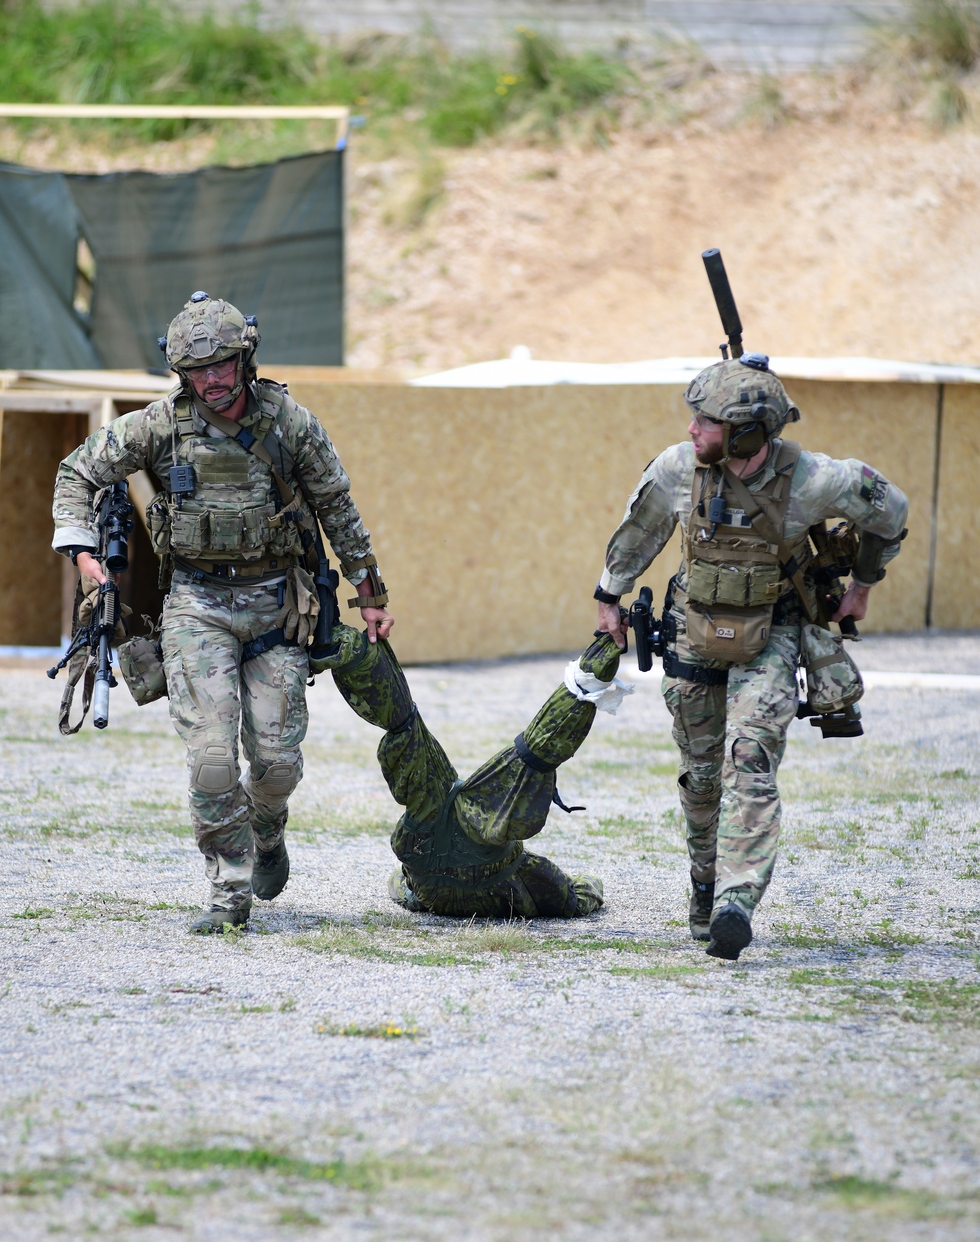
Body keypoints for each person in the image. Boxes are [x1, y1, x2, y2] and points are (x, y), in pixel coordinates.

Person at [51, 291, 393, 933]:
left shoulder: (290, 423)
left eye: (222, 365)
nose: (211, 379)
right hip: (196, 607)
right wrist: (79, 549)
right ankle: (228, 889)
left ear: (246, 358)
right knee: (211, 758)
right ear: (179, 373)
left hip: (276, 609)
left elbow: (339, 508)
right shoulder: (157, 427)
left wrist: (369, 597)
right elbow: (78, 472)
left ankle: (267, 832)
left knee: (276, 762)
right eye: (195, 370)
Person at [594, 353, 908, 960]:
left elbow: (890, 511)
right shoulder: (677, 468)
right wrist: (609, 596)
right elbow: (639, 533)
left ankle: (736, 902)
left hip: (771, 636)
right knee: (703, 775)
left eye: (705, 421)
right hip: (693, 633)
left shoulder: (817, 479)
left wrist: (863, 586)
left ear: (745, 432)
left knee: (749, 757)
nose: (691, 430)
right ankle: (705, 885)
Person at [311, 623, 629, 919]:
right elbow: (577, 896)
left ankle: (347, 646)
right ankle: (592, 671)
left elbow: (401, 887)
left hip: (429, 864)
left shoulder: (424, 883)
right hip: (489, 873)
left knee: (408, 732)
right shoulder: (522, 873)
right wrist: (587, 887)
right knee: (525, 763)